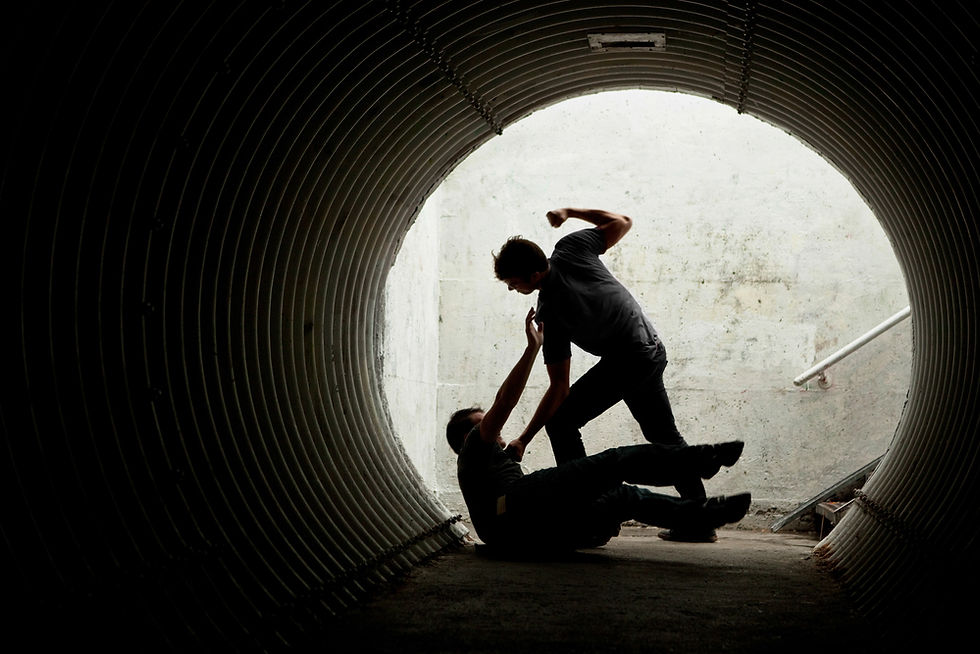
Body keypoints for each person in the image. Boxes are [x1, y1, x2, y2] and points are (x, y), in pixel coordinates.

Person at [493, 207, 717, 541]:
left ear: (534, 275)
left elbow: (559, 388)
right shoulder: (571, 248)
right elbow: (622, 221)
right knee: (664, 437)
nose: (512, 290)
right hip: (650, 350)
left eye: (513, 283)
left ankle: (591, 515)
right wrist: (570, 212)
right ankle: (699, 521)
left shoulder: (551, 308)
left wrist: (525, 438)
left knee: (561, 423)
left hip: (630, 360)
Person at [446, 307, 750, 551]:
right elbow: (505, 400)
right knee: (611, 463)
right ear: (466, 437)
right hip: (512, 510)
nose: (495, 431)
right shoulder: (474, 448)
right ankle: (701, 459)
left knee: (622, 496)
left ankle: (704, 515)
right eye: (483, 424)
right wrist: (533, 349)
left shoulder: (488, 466)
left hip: (533, 531)